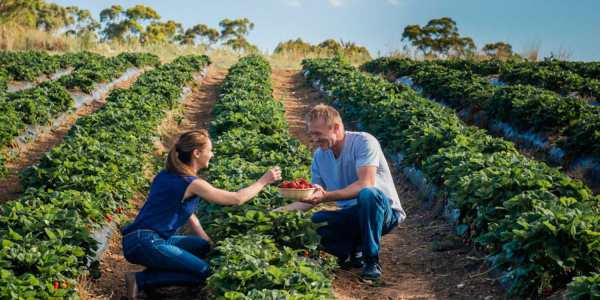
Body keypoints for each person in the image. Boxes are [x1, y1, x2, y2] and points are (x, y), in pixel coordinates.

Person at [120, 129, 281, 299]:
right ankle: (141, 279)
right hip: (145, 242)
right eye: (209, 150)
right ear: (196, 153)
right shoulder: (191, 183)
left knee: (201, 246)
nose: (212, 154)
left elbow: (187, 213)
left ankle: (160, 267)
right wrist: (264, 181)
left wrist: (206, 239)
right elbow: (236, 198)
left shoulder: (167, 175)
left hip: (148, 239)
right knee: (206, 272)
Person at [277, 104, 406, 280]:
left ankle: (371, 261)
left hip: (383, 213)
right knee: (315, 222)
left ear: (336, 128)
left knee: (368, 194)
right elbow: (312, 196)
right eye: (311, 134)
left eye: (318, 133)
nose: (314, 139)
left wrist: (327, 196)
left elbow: (365, 184)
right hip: (352, 215)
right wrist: (276, 215)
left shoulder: (364, 142)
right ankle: (352, 249)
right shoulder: (320, 156)